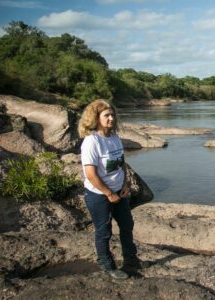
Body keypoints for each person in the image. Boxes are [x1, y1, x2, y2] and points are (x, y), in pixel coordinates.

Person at [78, 99, 139, 279]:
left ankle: (131, 259)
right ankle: (107, 265)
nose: (111, 118)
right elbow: (91, 174)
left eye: (112, 115)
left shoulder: (114, 138)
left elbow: (122, 164)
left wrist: (126, 184)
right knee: (103, 232)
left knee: (127, 225)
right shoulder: (91, 141)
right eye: (106, 115)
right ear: (96, 118)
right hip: (98, 195)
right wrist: (109, 193)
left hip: (119, 191)